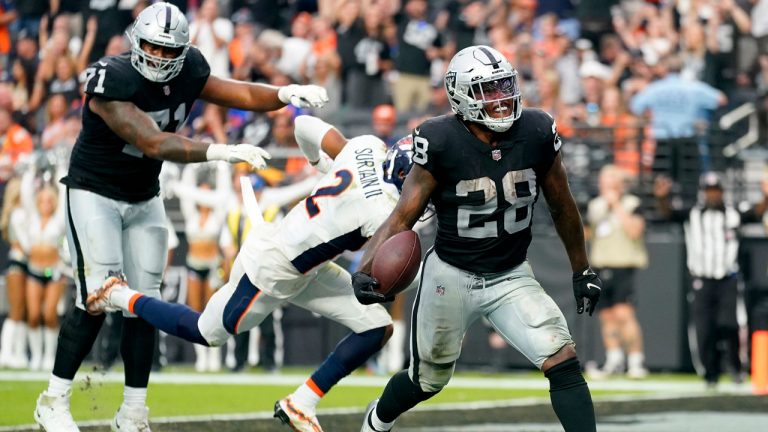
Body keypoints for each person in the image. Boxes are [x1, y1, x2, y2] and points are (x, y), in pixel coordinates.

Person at [33, 3, 328, 431]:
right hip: (94, 192)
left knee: (144, 305)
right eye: (152, 46)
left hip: (143, 195)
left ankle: (133, 412)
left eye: (169, 50)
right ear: (137, 41)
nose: (158, 56)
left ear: (183, 50)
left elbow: (240, 93)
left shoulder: (190, 68)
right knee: (95, 297)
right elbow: (152, 142)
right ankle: (53, 400)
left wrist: (282, 95)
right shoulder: (110, 78)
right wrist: (220, 151)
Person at [86, 114, 414, 432]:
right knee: (205, 331)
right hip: (274, 268)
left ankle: (302, 402)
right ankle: (118, 294)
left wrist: (319, 165)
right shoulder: (383, 211)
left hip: (300, 258)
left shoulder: (367, 146)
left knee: (376, 326)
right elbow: (378, 272)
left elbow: (304, 125)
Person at [352, 45, 601, 432]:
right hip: (450, 274)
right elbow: (404, 214)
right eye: (488, 90)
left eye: (505, 86)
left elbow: (563, 205)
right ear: (460, 95)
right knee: (427, 380)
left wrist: (582, 269)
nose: (501, 99)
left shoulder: (536, 130)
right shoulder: (439, 139)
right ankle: (377, 421)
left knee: (562, 358)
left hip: (510, 273)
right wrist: (366, 265)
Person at [654, 172, 768, 388]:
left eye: (716, 191)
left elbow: (756, 212)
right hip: (701, 280)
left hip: (728, 278)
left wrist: (766, 196)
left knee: (731, 324)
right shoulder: (693, 214)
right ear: (703, 193)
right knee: (705, 329)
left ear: (722, 192)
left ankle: (735, 367)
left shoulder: (733, 214)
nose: (713, 195)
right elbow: (668, 213)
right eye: (709, 191)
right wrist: (661, 197)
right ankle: (710, 372)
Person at [585, 165, 649, 379]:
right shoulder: (595, 206)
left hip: (624, 264)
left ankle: (635, 360)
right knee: (607, 316)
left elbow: (635, 231)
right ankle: (614, 359)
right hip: (601, 265)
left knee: (624, 314)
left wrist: (616, 207)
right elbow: (586, 234)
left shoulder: (632, 204)